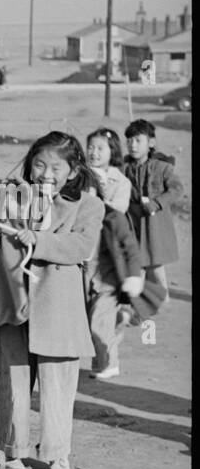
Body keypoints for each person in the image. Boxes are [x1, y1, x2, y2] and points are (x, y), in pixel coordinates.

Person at [0, 131, 105, 469]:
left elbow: (81, 246)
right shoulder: (15, 196)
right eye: (40, 164)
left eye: (56, 167)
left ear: (74, 170)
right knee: (12, 382)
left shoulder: (90, 205)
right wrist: (14, 190)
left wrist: (40, 240)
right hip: (14, 302)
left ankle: (57, 455)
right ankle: (12, 450)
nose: (47, 173)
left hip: (58, 310)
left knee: (57, 386)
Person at [84, 128, 153, 380]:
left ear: (112, 152)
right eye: (90, 147)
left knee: (98, 318)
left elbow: (118, 212)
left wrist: (96, 197)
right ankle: (100, 358)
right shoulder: (80, 177)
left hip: (110, 261)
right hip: (85, 258)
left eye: (100, 148)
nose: (93, 152)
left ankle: (110, 363)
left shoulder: (120, 182)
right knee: (92, 313)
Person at [122, 118, 182, 299]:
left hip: (154, 224)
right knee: (136, 263)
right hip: (133, 222)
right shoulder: (125, 167)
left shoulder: (163, 167)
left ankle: (163, 298)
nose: (133, 145)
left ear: (151, 143)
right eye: (130, 141)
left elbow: (176, 189)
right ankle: (139, 302)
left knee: (155, 265)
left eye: (138, 140)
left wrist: (156, 203)